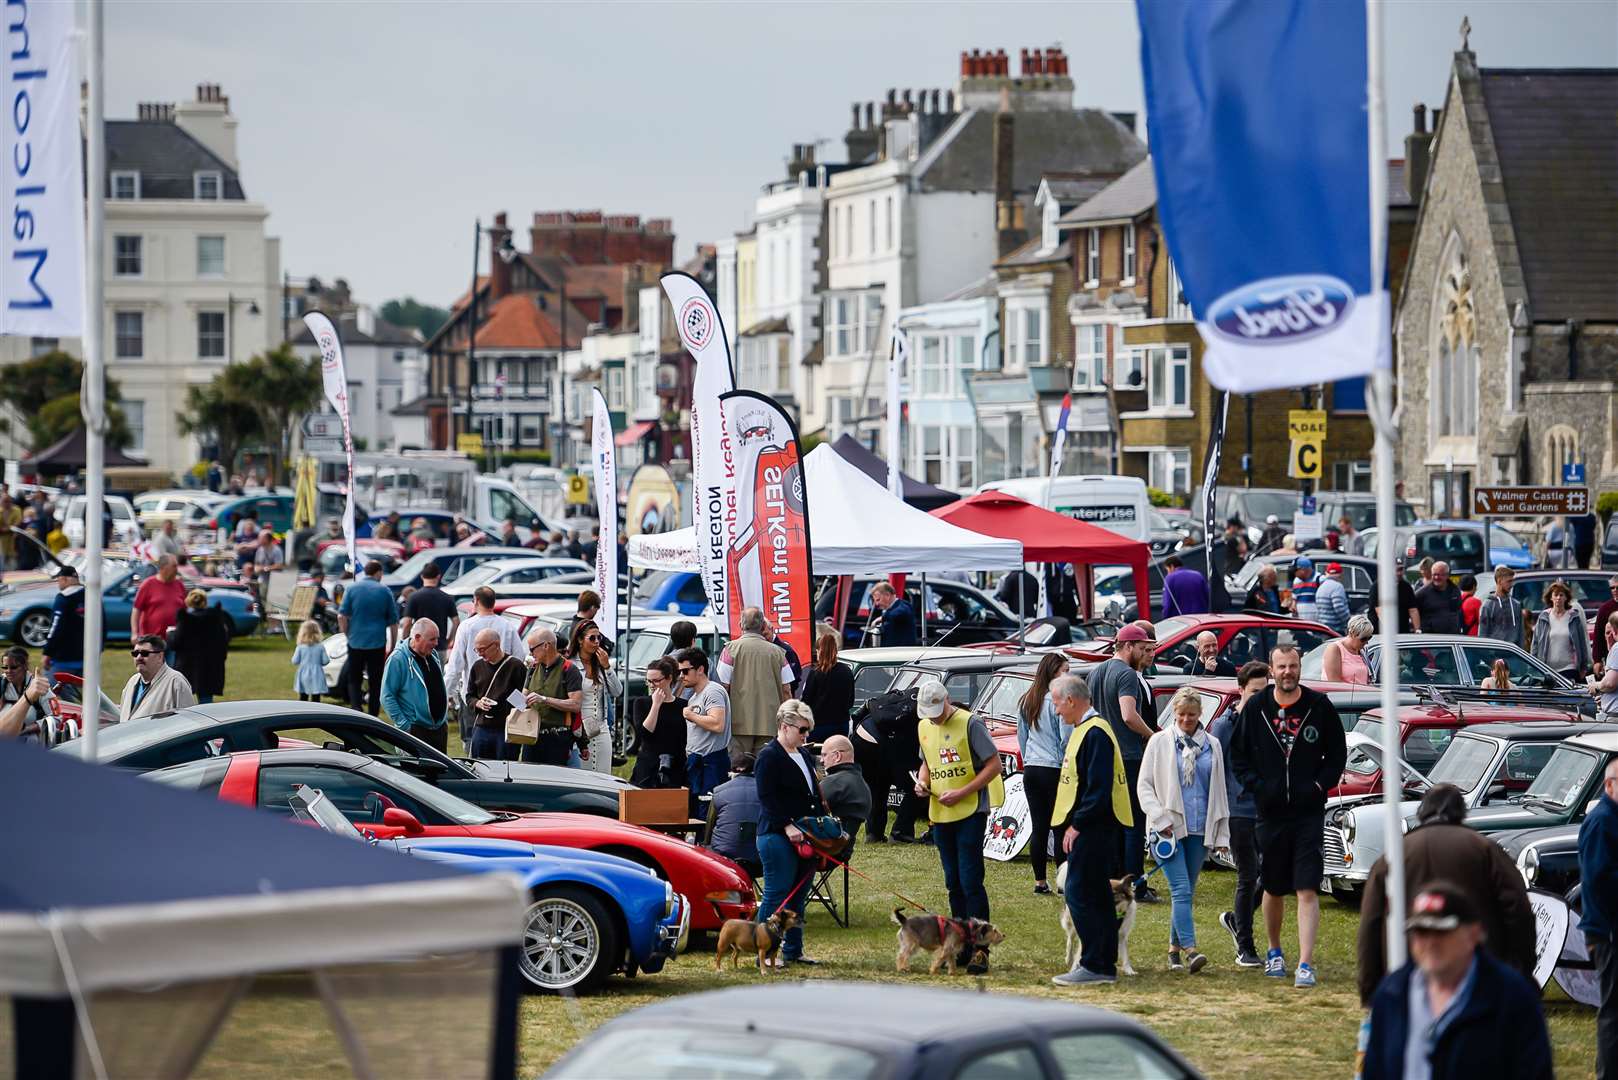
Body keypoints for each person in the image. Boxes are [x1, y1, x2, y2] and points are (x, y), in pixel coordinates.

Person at [1228, 643, 1346, 989]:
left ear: (1299, 668)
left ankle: (1306, 963)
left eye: (1293, 666)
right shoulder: (1257, 708)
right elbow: (1239, 757)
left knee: (1307, 887)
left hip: (1308, 814)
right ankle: (1275, 951)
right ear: (1271, 669)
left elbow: (1336, 755)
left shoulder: (1318, 706)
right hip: (1270, 813)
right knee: (1275, 887)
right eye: (1281, 667)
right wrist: (1259, 787)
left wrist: (1318, 785)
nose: (1287, 672)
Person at [1356, 783, 1536, 1007]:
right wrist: (1521, 970)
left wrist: (1370, 986)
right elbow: (1519, 911)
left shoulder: (1393, 855)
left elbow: (1370, 922)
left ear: (1423, 811)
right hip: (1474, 972)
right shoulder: (1485, 850)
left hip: (1406, 970)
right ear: (1461, 812)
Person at [1361, 883, 1553, 1080]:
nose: (1430, 942)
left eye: (1442, 931)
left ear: (1474, 934)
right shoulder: (1392, 993)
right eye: (1421, 931)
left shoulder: (1512, 998)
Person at [1138, 686, 1231, 974]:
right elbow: (1144, 786)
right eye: (1181, 715)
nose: (1186, 720)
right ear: (1174, 714)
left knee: (1186, 892)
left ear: (1200, 714)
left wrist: (1221, 833)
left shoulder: (1212, 744)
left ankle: (1173, 951)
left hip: (1199, 828)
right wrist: (1160, 818)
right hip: (1167, 830)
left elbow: (1218, 791)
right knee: (1179, 889)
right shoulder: (1159, 742)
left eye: (1191, 715)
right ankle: (1192, 951)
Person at [913, 676, 1003, 975]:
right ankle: (959, 943)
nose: (933, 718)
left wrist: (964, 791)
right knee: (953, 882)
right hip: (941, 813)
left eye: (937, 711)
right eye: (928, 713)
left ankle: (981, 949)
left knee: (970, 880)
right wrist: (922, 783)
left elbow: (994, 765)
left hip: (970, 811)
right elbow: (927, 761)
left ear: (947, 700)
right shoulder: (924, 726)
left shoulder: (970, 723)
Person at [1050, 674, 1134, 987]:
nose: (1057, 711)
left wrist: (1078, 824)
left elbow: (1097, 788)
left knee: (1079, 892)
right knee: (1096, 893)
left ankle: (1094, 964)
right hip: (1095, 826)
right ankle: (1103, 962)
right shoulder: (1086, 729)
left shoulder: (1095, 732)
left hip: (1095, 828)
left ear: (1071, 700)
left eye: (1057, 704)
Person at [1086, 622, 1159, 901]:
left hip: (1102, 756)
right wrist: (1152, 736)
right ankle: (1137, 886)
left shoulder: (1095, 672)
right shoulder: (1127, 674)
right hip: (1127, 756)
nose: (1145, 654)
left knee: (1111, 822)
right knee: (1133, 824)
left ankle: (1114, 881)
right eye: (1142, 649)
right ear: (1127, 646)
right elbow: (1129, 715)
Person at [755, 699, 825, 967]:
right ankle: (764, 952)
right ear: (785, 726)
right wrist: (786, 825)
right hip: (775, 834)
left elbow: (812, 795)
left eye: (808, 730)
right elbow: (766, 797)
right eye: (803, 730)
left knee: (798, 896)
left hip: (806, 833)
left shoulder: (804, 754)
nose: (807, 735)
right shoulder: (768, 756)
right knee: (777, 894)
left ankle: (793, 950)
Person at [1212, 661, 1270, 969]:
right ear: (1240, 690)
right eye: (1255, 692)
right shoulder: (1225, 726)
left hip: (1267, 810)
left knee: (1272, 874)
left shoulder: (1272, 721)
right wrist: (1218, 821)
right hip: (1238, 812)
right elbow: (1213, 773)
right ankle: (1245, 947)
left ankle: (1237, 919)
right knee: (1248, 875)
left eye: (1265, 692)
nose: (1260, 698)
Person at [445, 585, 530, 745]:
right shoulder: (507, 626)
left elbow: (455, 665)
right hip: (504, 698)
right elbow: (519, 658)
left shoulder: (467, 626)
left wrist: (446, 694)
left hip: (474, 694)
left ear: (476, 601)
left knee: (472, 743)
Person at [1016, 652, 1072, 895]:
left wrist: (1029, 757)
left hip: (1033, 768)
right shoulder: (1059, 700)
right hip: (1054, 767)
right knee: (1060, 826)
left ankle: (1040, 881)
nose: (1068, 675)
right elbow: (1066, 737)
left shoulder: (1028, 699)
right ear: (1053, 672)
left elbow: (1022, 736)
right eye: (1065, 670)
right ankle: (1062, 881)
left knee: (1039, 827)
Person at [1578, 757, 1618, 1078]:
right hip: (1607, 930)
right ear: (1609, 785)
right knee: (1613, 1009)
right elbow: (1597, 879)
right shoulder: (1602, 821)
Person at [716, 607, 792, 767]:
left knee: (737, 768)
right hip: (770, 723)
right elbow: (787, 691)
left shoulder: (730, 650)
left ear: (740, 625)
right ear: (763, 626)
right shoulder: (779, 653)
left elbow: (722, 687)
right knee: (765, 770)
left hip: (738, 723)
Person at [853, 683, 924, 844]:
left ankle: (874, 833)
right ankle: (900, 833)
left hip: (863, 736)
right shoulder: (923, 714)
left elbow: (857, 716)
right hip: (885, 742)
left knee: (876, 787)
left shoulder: (895, 702)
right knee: (918, 787)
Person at [338, 561, 398, 716]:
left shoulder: (352, 588)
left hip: (355, 640)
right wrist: (392, 644)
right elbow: (393, 622)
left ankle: (356, 708)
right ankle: (373, 712)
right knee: (375, 679)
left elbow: (341, 615)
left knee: (354, 677)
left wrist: (347, 633)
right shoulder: (384, 591)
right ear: (378, 573)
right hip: (377, 642)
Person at [380, 620, 449, 751]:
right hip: (415, 731)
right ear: (417, 637)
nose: (436, 643)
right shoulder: (398, 659)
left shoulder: (432, 654)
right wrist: (405, 726)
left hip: (439, 729)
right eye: (432, 639)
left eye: (437, 639)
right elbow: (387, 696)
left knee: (441, 770)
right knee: (414, 772)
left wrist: (443, 718)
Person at [521, 628, 584, 766]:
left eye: (532, 649)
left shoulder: (569, 669)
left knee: (554, 781)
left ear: (546, 645)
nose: (530, 653)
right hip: (531, 736)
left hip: (557, 738)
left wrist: (544, 699)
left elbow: (576, 705)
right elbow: (523, 697)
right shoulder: (532, 668)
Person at [677, 647, 731, 802]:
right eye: (680, 672)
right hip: (697, 761)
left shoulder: (713, 691)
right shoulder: (694, 697)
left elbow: (717, 724)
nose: (682, 676)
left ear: (700, 669)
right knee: (696, 811)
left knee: (707, 810)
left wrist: (691, 716)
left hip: (711, 761)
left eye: (685, 671)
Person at [465, 627, 527, 761]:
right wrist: (478, 703)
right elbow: (469, 696)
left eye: (482, 649)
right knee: (478, 768)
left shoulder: (516, 666)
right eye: (477, 650)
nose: (480, 654)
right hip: (482, 728)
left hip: (506, 729)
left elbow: (523, 702)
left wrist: (505, 704)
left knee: (504, 771)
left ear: (496, 645)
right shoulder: (477, 666)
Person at [567, 618, 620, 773]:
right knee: (584, 776)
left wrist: (607, 667)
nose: (597, 642)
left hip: (601, 727)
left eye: (599, 638)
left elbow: (617, 691)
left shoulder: (601, 663)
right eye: (592, 638)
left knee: (604, 774)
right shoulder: (570, 665)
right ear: (580, 640)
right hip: (580, 729)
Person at [632, 657, 688, 789]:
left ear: (669, 678)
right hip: (648, 766)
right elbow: (645, 734)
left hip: (675, 766)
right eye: (648, 681)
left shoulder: (683, 705)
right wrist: (656, 705)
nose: (652, 685)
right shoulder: (641, 703)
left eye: (656, 681)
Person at [169, 589, 230, 703]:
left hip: (187, 666)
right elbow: (223, 642)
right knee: (206, 703)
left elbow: (175, 643)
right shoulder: (215, 619)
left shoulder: (185, 620)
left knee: (182, 703)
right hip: (209, 667)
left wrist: (170, 634)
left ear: (189, 602)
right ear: (205, 601)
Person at [706, 754, 762, 877]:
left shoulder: (718, 791)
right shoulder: (767, 791)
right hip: (761, 857)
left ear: (731, 771)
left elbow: (708, 829)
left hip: (724, 857)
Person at [119, 634, 196, 722]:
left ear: (160, 657)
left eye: (145, 653)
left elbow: (188, 722)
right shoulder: (132, 682)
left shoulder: (176, 682)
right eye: (135, 653)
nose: (139, 658)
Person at [799, 629, 856, 743]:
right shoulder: (846, 671)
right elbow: (850, 701)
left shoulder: (815, 673)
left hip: (819, 726)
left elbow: (806, 701)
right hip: (841, 725)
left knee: (819, 757)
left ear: (820, 651)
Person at [1530, 579, 1592, 680]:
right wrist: (1533, 667)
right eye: (1555, 595)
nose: (1558, 598)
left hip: (1569, 668)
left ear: (1566, 598)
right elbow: (1535, 644)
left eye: (1561, 595)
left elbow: (1582, 643)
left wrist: (1583, 667)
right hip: (1547, 669)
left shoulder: (1574, 617)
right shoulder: (1544, 617)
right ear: (1550, 597)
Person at [818, 735, 871, 843]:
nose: (821, 761)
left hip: (825, 847)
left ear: (837, 756)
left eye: (824, 755)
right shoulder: (860, 783)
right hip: (844, 849)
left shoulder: (835, 782)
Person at [131, 555, 187, 648]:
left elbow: (185, 611)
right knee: (153, 662)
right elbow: (136, 610)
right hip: (151, 640)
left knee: (172, 663)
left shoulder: (179, 584)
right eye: (174, 566)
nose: (177, 569)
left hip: (174, 640)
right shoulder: (148, 584)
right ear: (163, 568)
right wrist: (134, 633)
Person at [401, 561, 457, 653]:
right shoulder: (447, 597)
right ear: (439, 576)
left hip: (418, 647)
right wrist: (448, 640)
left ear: (422, 576)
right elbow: (456, 621)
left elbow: (407, 623)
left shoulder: (414, 597)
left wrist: (405, 643)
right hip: (439, 647)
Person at [41, 565, 85, 677]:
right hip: (87, 658)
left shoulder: (64, 598)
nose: (58, 584)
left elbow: (56, 626)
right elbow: (102, 625)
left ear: (64, 579)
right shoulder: (91, 595)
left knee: (48, 690)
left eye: (59, 580)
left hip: (63, 658)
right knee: (83, 693)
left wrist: (48, 652)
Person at [0, 647, 49, 742]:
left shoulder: (40, 687)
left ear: (25, 666)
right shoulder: (1, 683)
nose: (8, 671)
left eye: (13, 667)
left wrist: (28, 729)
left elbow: (56, 718)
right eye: (5, 667)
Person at [1369, 556, 1421, 634]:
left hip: (1402, 632)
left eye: (1401, 569)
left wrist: (1417, 630)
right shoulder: (1377, 587)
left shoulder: (1406, 587)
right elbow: (1381, 612)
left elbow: (1413, 610)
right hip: (1381, 634)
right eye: (1396, 570)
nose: (1399, 573)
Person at [1478, 565, 1525, 645]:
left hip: (1513, 653)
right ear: (1499, 581)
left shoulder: (1516, 605)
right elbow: (1483, 634)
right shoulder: (1488, 605)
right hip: (1495, 653)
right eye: (1509, 581)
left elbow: (1521, 633)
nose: (1512, 584)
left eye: (1512, 581)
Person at [1322, 614, 1375, 685]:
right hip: (1344, 695)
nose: (1367, 642)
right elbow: (1334, 683)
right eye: (1363, 639)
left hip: (1363, 694)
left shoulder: (1363, 651)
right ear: (1352, 633)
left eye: (1369, 638)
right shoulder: (1335, 649)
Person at [1414, 560, 1463, 635]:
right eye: (1434, 574)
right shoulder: (1421, 593)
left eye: (1440, 575)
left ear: (1447, 575)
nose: (1436, 577)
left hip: (1453, 638)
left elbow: (1458, 611)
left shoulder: (1455, 590)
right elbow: (1413, 612)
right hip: (1432, 640)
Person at [291, 619, 330, 702]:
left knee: (303, 696)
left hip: (303, 674)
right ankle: (315, 712)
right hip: (317, 674)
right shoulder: (320, 647)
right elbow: (325, 661)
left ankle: (303, 712)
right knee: (316, 697)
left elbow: (295, 661)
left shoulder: (300, 647)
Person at [869, 581, 917, 647]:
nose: (876, 604)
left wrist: (881, 618)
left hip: (902, 652)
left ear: (887, 595)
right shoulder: (889, 610)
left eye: (878, 600)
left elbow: (900, 613)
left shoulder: (903, 605)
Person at [1593, 612, 1618, 718]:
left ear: (1615, 631)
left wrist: (1596, 686)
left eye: (1611, 632)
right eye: (1606, 633)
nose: (1609, 636)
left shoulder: (1617, 648)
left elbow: (1610, 683)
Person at [1315, 562, 1350, 634]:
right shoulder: (1337, 586)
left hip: (1323, 628)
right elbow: (1339, 607)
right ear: (1340, 574)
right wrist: (1349, 621)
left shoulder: (1321, 586)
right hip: (1335, 630)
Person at [1290, 557, 1321, 622]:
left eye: (1295, 571)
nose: (1294, 574)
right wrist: (1293, 605)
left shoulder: (1319, 579)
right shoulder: (1296, 580)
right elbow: (1294, 598)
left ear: (1303, 570)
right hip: (1301, 623)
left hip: (1317, 623)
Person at [1594, 576, 1618, 656]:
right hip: (1610, 654)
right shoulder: (1604, 608)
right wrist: (1597, 659)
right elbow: (1598, 635)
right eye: (1612, 588)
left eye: (1617, 587)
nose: (1615, 590)